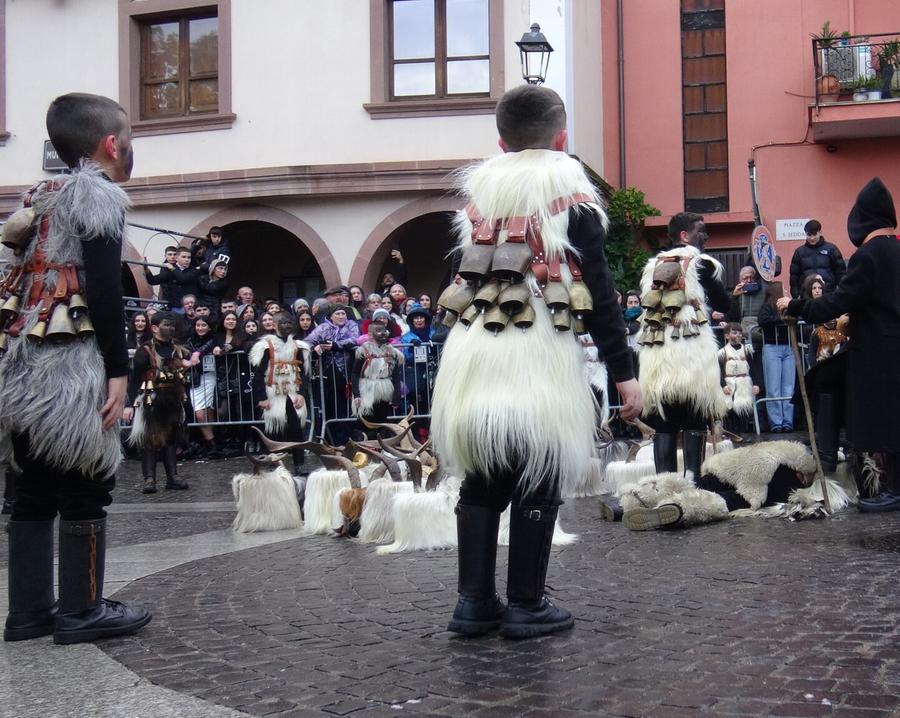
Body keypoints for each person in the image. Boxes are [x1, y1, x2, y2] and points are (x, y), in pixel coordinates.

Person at [430, 85, 641, 640]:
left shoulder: (478, 197)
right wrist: (624, 373)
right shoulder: (571, 193)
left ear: (500, 141)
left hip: (471, 354)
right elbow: (597, 290)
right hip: (538, 350)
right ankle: (526, 605)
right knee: (539, 470)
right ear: (562, 138)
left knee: (481, 476)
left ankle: (473, 605)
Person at [0, 92, 151, 644]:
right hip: (72, 366)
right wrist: (119, 368)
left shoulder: (36, 197)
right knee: (88, 483)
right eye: (130, 139)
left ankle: (29, 613)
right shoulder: (99, 196)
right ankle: (82, 610)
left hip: (19, 366)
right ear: (112, 144)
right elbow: (105, 291)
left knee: (33, 488)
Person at [777, 178, 899, 510]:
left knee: (879, 418)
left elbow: (838, 301)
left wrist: (796, 306)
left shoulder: (867, 256)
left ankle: (889, 489)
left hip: (877, 353)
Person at [636, 211, 730, 477]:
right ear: (684, 235)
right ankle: (692, 481)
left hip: (658, 353)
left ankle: (664, 484)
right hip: (693, 353)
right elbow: (724, 304)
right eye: (701, 230)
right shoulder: (703, 264)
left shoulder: (651, 267)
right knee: (694, 413)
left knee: (664, 417)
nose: (706, 236)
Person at [124, 313, 190, 494]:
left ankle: (173, 477)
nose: (171, 328)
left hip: (173, 400)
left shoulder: (178, 350)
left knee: (171, 439)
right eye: (166, 324)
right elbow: (135, 379)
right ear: (154, 328)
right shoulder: (144, 351)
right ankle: (149, 479)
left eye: (172, 325)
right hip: (151, 400)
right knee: (149, 440)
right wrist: (129, 405)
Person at [250, 313, 310, 476]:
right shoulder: (266, 346)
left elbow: (303, 374)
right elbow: (258, 374)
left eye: (289, 322)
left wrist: (301, 394)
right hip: (273, 394)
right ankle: (269, 464)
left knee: (297, 429)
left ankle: (299, 465)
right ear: (275, 325)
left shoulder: (298, 347)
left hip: (292, 393)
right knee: (273, 431)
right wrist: (262, 397)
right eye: (283, 322)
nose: (287, 325)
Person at [304, 305, 359, 446]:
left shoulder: (351, 325)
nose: (341, 316)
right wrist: (314, 347)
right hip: (327, 372)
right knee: (328, 406)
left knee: (343, 406)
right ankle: (331, 440)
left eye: (343, 314)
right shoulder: (323, 327)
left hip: (345, 372)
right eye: (338, 313)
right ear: (331, 316)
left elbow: (355, 340)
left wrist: (336, 345)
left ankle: (346, 439)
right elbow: (307, 342)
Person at [351, 320, 404, 432]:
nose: (383, 333)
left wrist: (396, 397)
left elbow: (395, 376)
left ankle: (381, 446)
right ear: (370, 335)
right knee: (365, 420)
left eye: (384, 330)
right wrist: (356, 394)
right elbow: (355, 373)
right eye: (378, 331)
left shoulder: (392, 353)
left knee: (382, 421)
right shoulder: (363, 352)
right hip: (367, 389)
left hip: (384, 389)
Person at [757, 283, 796, 433]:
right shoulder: (767, 307)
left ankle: (787, 420)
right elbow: (762, 320)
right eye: (784, 289)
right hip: (772, 347)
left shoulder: (788, 306)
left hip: (788, 346)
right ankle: (776, 421)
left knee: (788, 387)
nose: (786, 291)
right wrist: (781, 319)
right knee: (773, 387)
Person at [184, 315, 221, 459]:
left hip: (209, 376)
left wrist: (197, 353)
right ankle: (211, 443)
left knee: (208, 411)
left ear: (209, 326)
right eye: (198, 325)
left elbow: (209, 346)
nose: (200, 328)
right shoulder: (189, 339)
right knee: (200, 413)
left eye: (203, 325)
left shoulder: (214, 338)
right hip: (194, 378)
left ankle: (211, 443)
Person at [789, 219, 846, 297]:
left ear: (820, 232)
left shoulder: (831, 249)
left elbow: (840, 272)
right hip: (806, 295)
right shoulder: (799, 252)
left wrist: (842, 291)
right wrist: (795, 295)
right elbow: (794, 276)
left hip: (828, 293)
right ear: (805, 234)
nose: (812, 238)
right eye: (809, 235)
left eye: (814, 234)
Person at [717, 323, 759, 427]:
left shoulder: (746, 350)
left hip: (744, 383)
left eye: (740, 333)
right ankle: (732, 433)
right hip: (730, 383)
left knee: (744, 408)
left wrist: (756, 384)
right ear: (727, 336)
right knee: (730, 408)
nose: (738, 335)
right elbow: (719, 371)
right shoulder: (722, 352)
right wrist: (723, 385)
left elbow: (753, 368)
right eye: (734, 333)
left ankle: (743, 432)